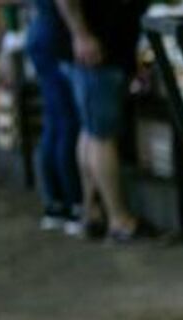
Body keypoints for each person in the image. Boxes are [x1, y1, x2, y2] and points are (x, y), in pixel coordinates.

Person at [54, 0, 152, 242]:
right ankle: (119, 221)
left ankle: (93, 213)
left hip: (100, 50)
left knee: (90, 131)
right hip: (97, 53)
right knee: (102, 136)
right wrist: (82, 35)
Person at [25, 0, 80, 232]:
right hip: (56, 36)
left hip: (42, 31)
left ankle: (55, 202)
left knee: (54, 122)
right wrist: (81, 34)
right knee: (67, 123)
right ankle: (73, 203)